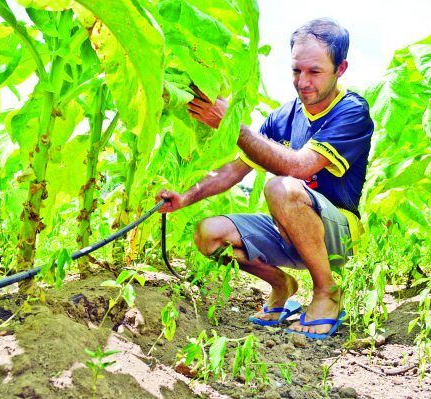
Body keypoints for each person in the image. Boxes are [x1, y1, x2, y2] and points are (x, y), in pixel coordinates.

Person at [156, 18, 374, 339]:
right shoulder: (283, 116)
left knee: (280, 186)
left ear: (340, 69)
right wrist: (184, 198)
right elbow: (236, 169)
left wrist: (232, 125)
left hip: (338, 236)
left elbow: (300, 167)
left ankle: (327, 292)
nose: (303, 82)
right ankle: (282, 284)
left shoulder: (352, 111)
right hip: (288, 228)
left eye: (314, 72)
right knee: (209, 233)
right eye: (296, 71)